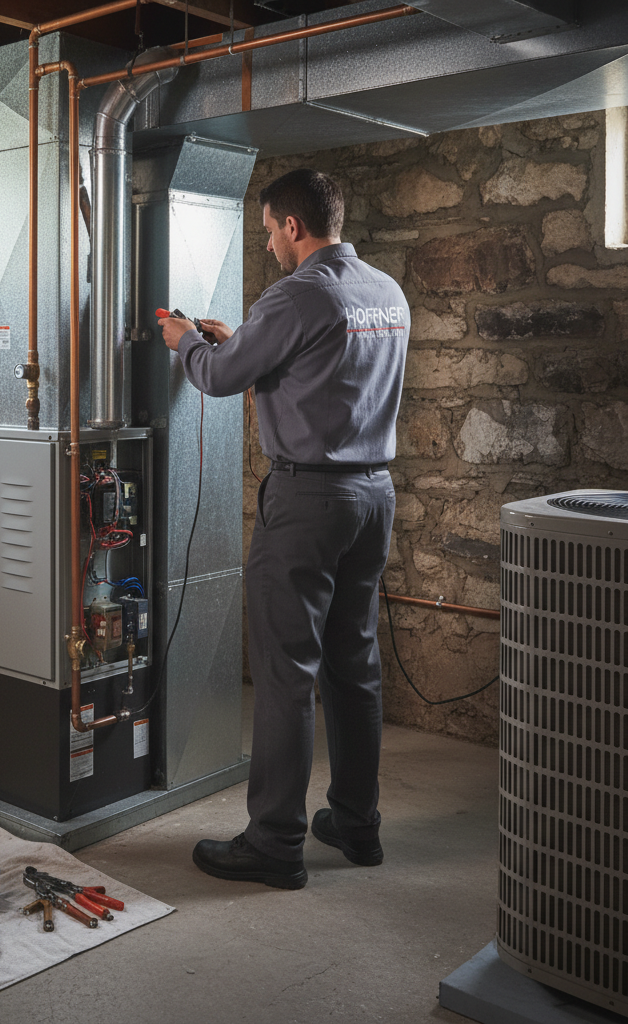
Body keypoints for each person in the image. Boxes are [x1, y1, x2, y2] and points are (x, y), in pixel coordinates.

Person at [158, 168, 409, 890]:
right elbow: (317, 369)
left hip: (307, 506)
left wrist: (183, 340)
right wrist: (244, 341)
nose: (267, 241)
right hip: (372, 499)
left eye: (268, 229)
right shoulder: (384, 292)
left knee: (285, 675)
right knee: (353, 669)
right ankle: (357, 825)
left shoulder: (297, 294)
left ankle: (273, 843)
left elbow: (215, 376)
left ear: (293, 226)